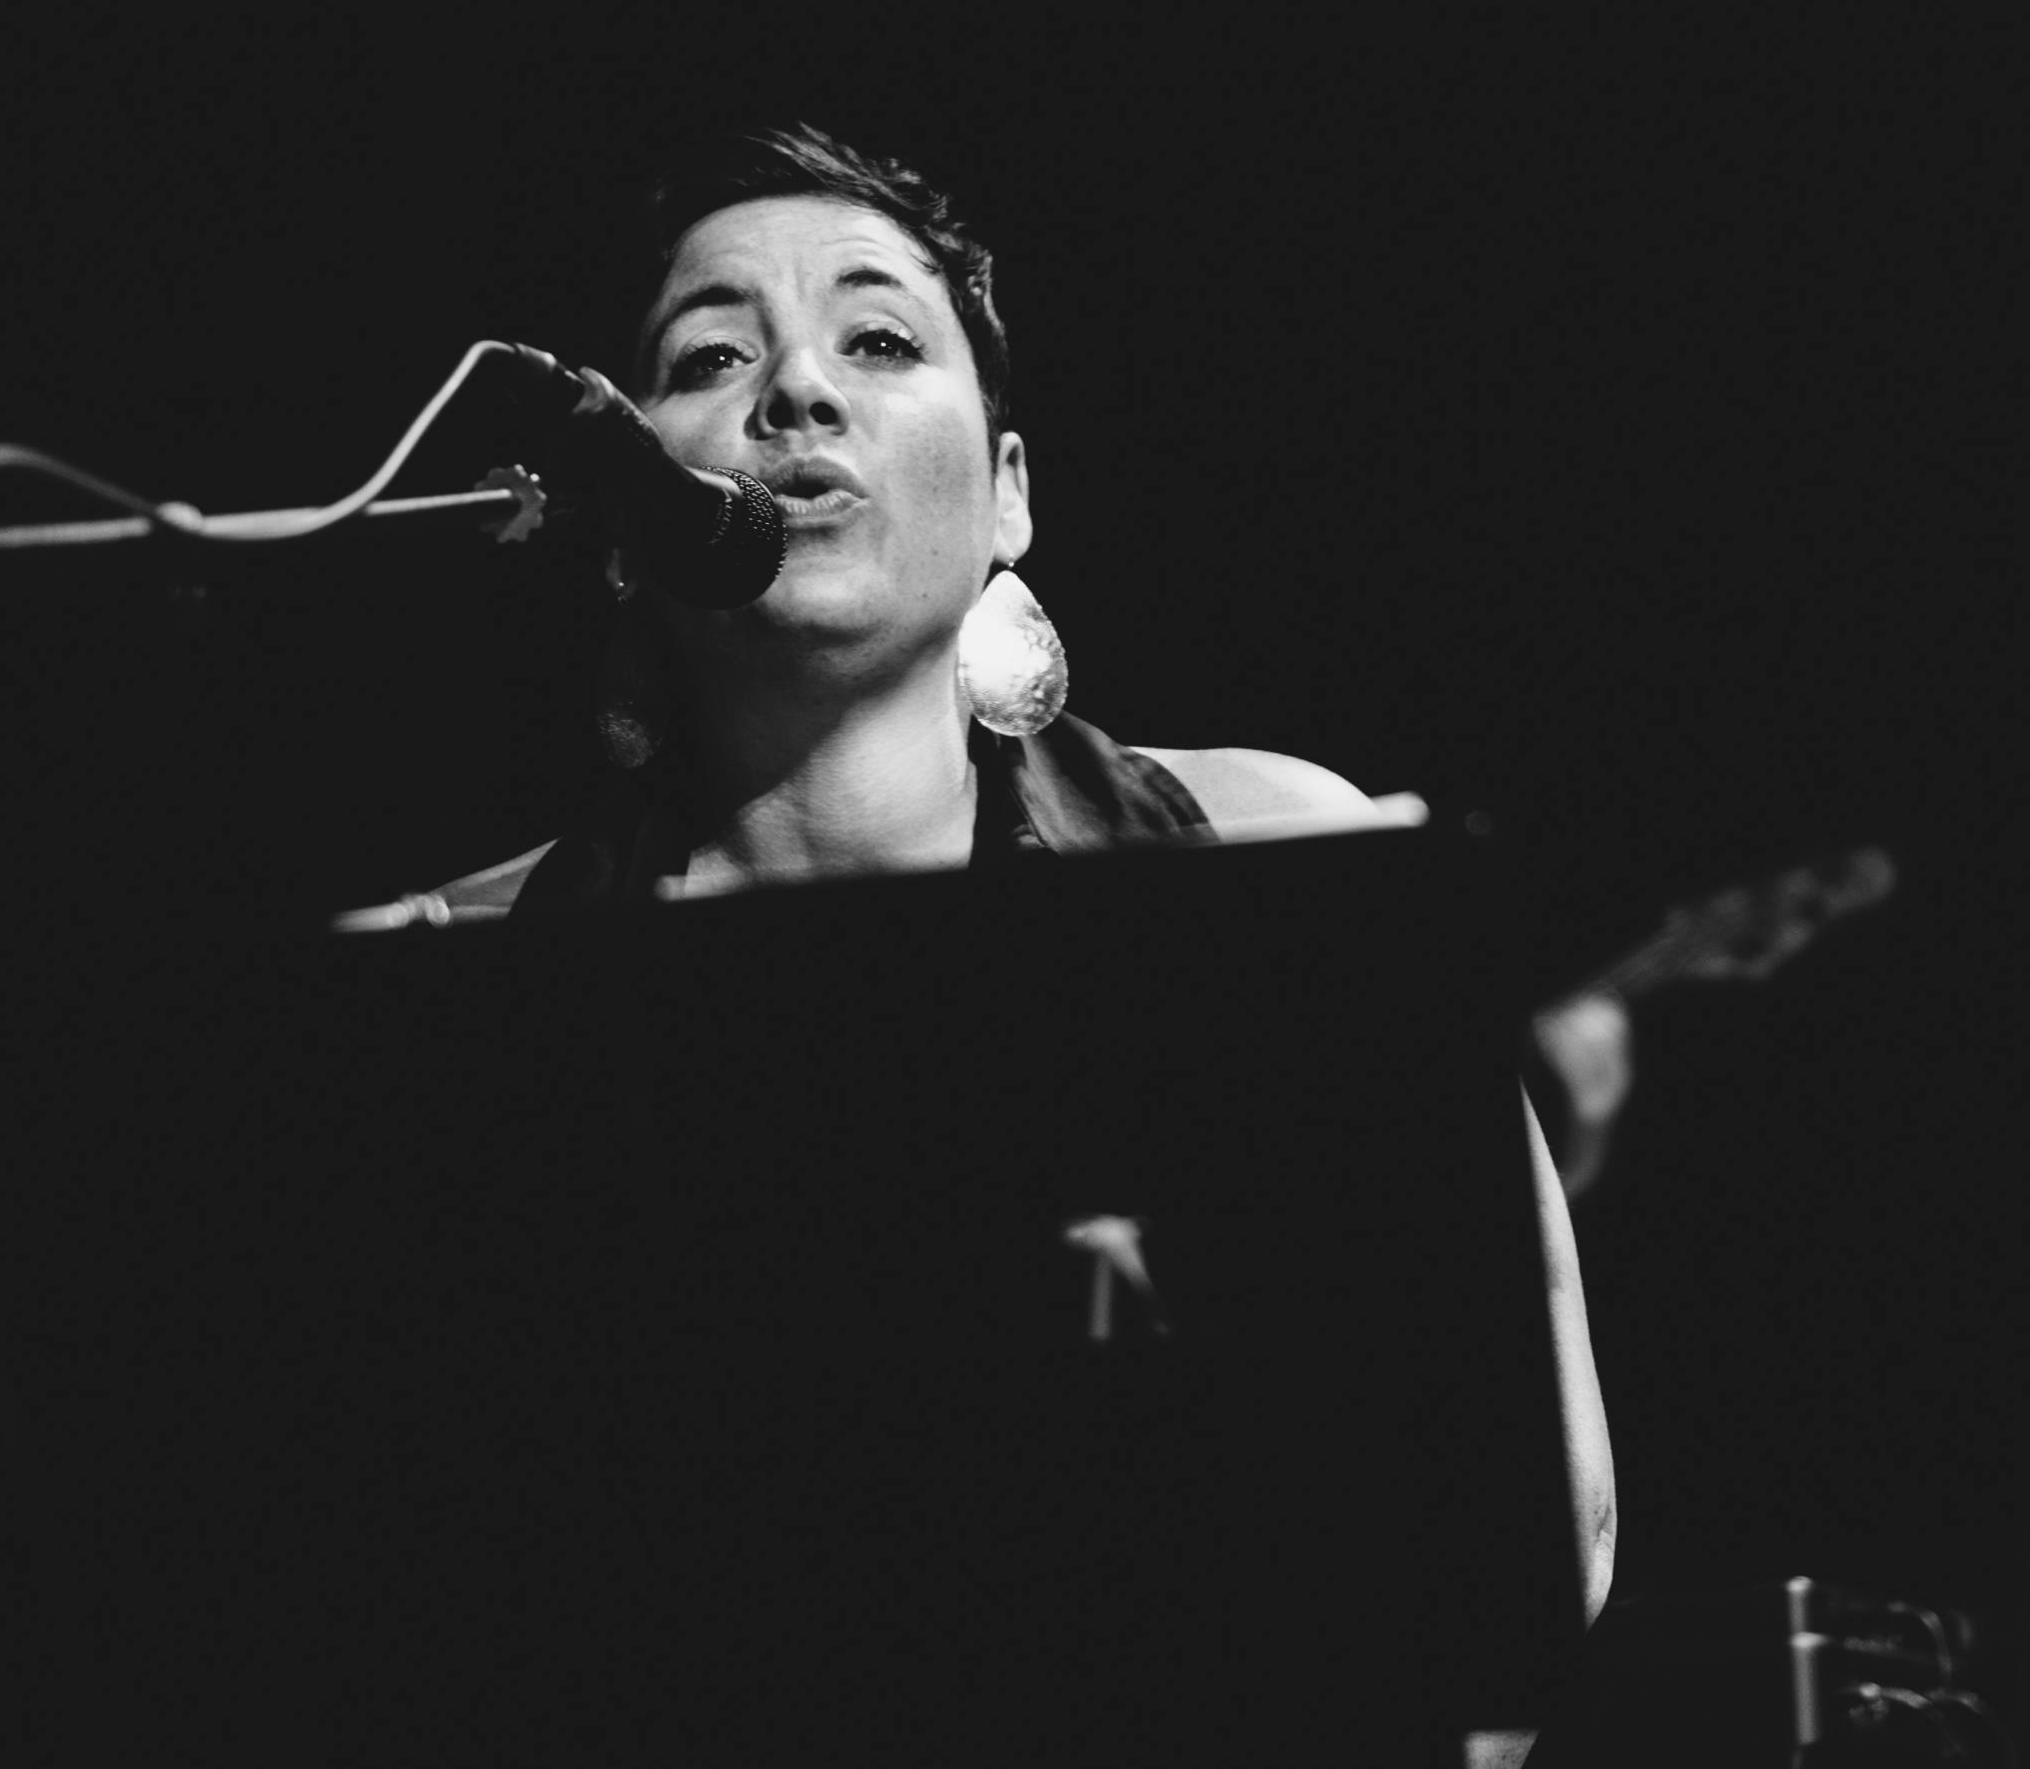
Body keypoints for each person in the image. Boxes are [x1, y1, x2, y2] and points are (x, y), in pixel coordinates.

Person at [420, 123, 1614, 1763]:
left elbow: (1522, 1523)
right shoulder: (452, 983)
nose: (797, 390)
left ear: (1009, 492)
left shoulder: (1289, 865)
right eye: (710, 356)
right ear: (625, 521)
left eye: (878, 338)